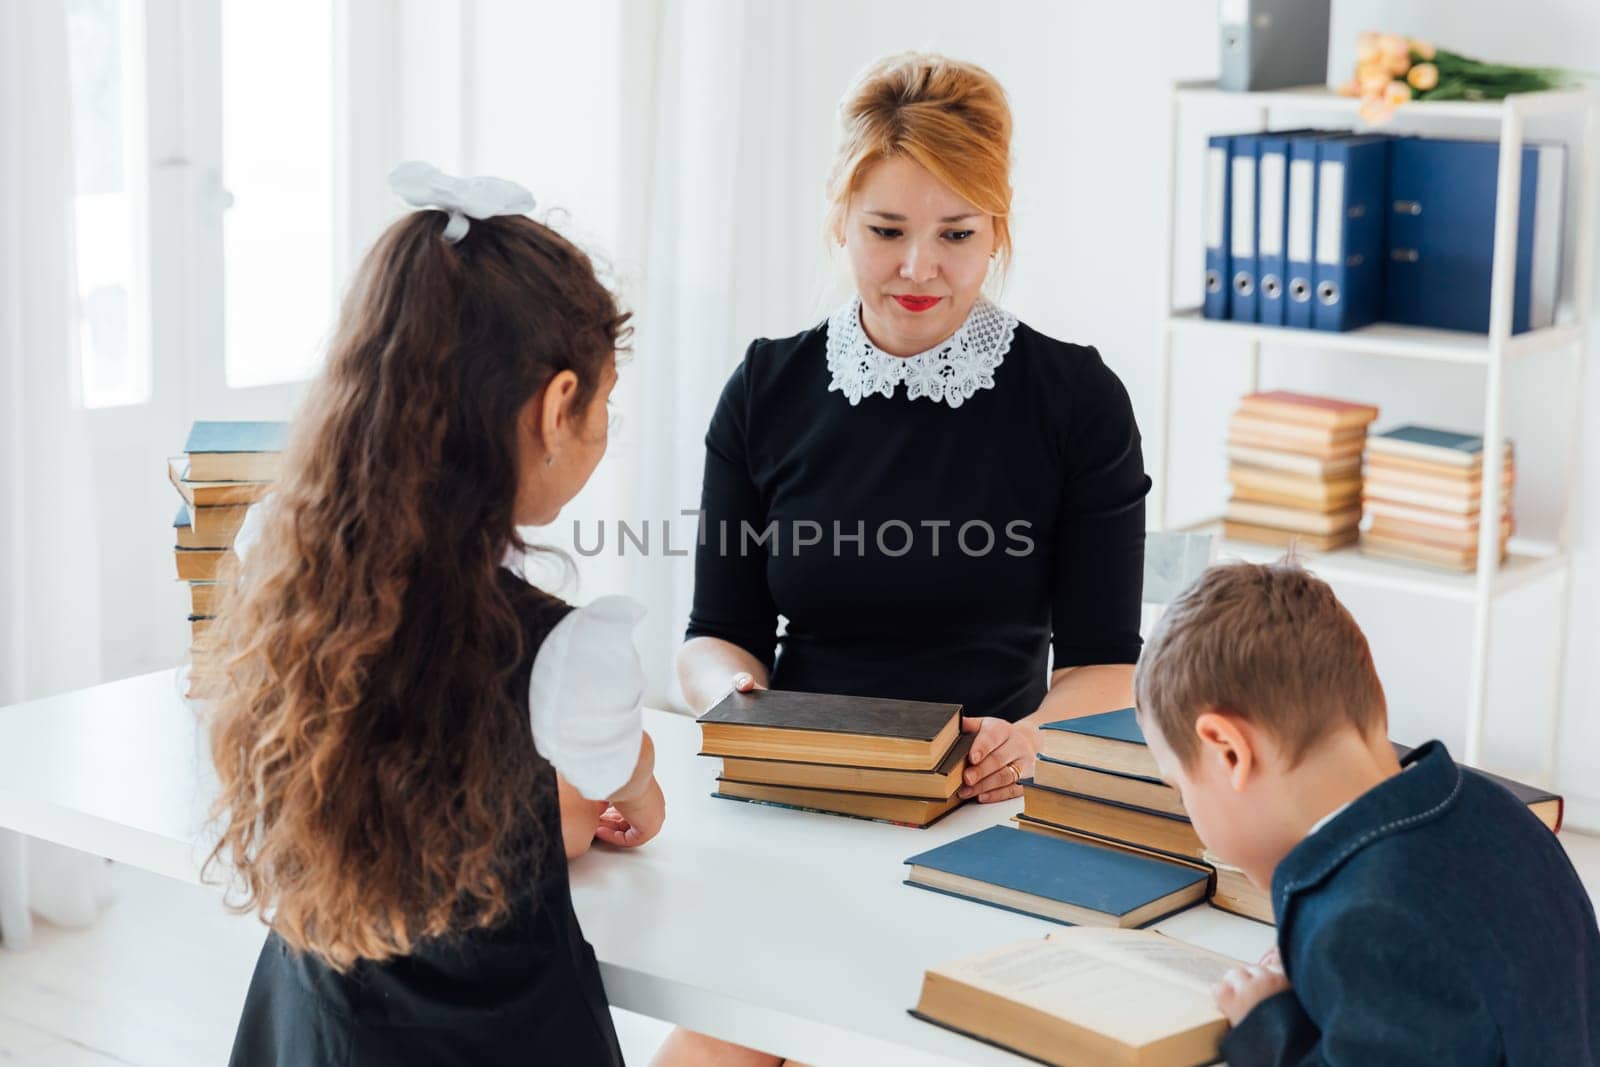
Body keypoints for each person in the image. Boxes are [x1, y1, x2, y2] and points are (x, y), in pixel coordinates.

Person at [663, 51, 1150, 1067]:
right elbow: (716, 636)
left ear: (998, 231)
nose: (918, 267)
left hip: (987, 809)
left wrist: (1025, 739)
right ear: (839, 218)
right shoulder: (765, 387)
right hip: (795, 803)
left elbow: (1105, 664)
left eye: (957, 234)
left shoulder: (1073, 400)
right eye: (886, 230)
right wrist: (741, 706)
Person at [205, 163, 664, 1066]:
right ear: (556, 405)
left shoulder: (289, 568)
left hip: (316, 1032)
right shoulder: (567, 650)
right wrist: (638, 796)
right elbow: (624, 783)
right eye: (605, 405)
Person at [1134, 559, 1600, 1066]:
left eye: (1181, 789)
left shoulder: (1367, 922)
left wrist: (1269, 1025)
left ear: (1229, 751)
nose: (1188, 809)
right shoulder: (1499, 811)